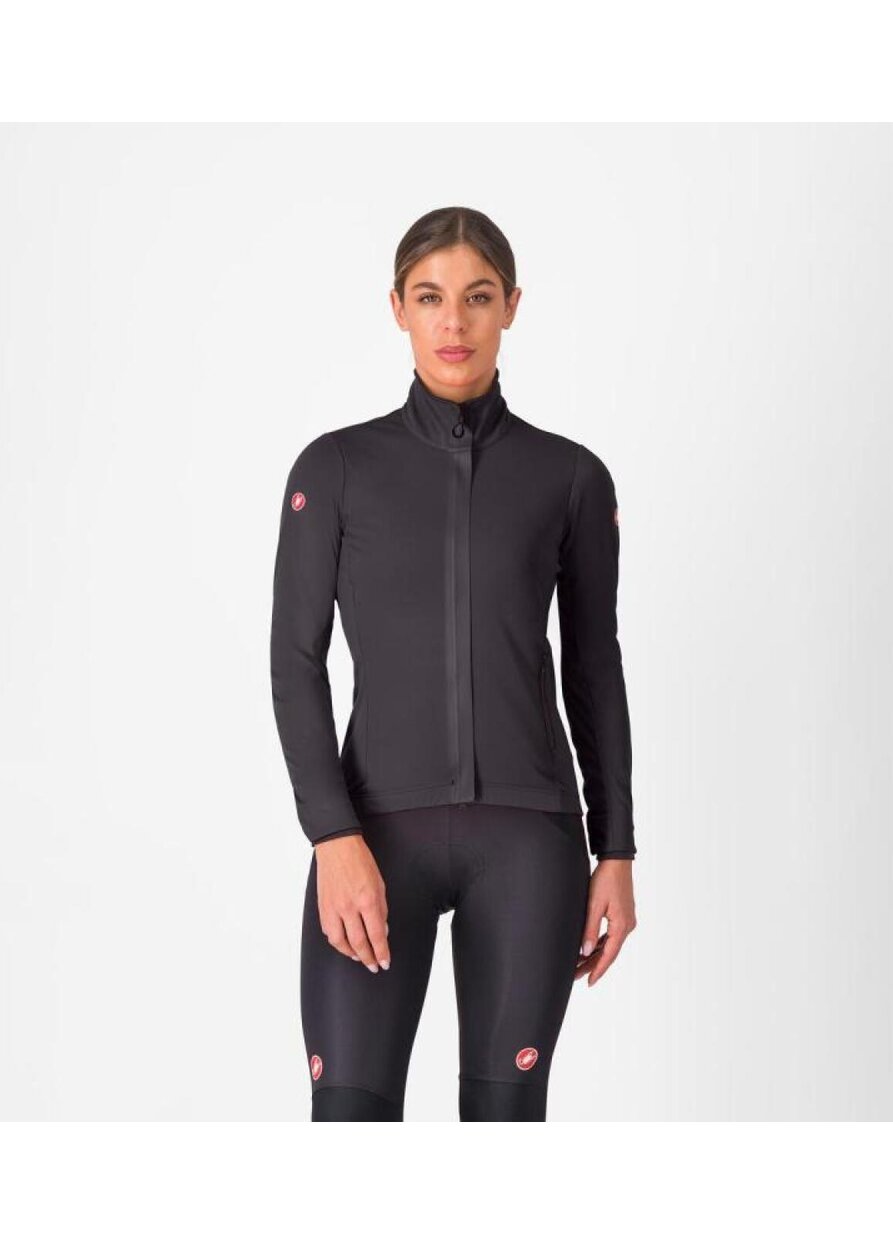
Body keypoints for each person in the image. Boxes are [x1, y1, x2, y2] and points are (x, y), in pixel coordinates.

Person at [270, 206, 638, 1122]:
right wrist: (331, 836)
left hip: (529, 844)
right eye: (430, 297)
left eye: (477, 297)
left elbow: (595, 669)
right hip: (372, 839)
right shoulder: (336, 469)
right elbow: (295, 660)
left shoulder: (570, 478)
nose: (454, 322)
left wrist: (617, 849)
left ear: (511, 306)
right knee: (349, 1121)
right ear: (397, 307)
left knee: (505, 1132)